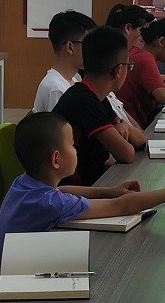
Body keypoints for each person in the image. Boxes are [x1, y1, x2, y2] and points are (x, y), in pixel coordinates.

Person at [0, 111, 165, 280]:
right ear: (56, 159)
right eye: (72, 145)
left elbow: (61, 191)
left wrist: (109, 191)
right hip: (15, 286)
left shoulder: (23, 184)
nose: (75, 150)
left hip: (11, 276)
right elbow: (121, 207)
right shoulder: (51, 203)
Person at [53, 26, 147, 185]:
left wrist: (123, 126)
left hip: (93, 181)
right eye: (128, 65)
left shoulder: (96, 96)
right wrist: (120, 128)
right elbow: (127, 154)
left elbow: (141, 140)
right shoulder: (85, 101)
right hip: (75, 191)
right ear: (118, 70)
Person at [33, 10, 96, 112]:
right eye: (89, 44)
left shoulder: (73, 81)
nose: (94, 50)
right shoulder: (56, 89)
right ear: (70, 47)